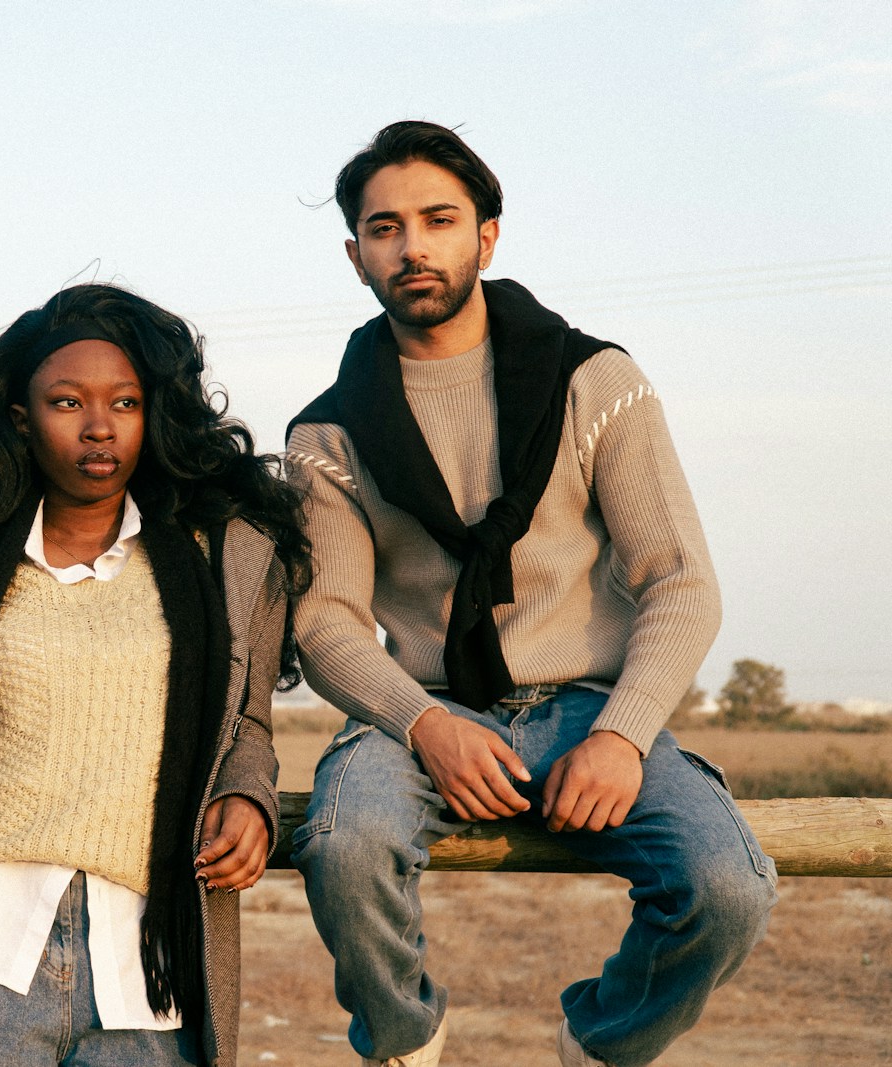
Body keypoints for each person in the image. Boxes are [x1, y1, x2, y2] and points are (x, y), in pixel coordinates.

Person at [285, 121, 777, 1067]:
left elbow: (680, 581)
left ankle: (601, 1040)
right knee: (343, 847)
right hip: (423, 711)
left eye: (439, 219)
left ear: (489, 235)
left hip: (588, 708)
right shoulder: (329, 433)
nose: (414, 246)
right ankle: (406, 1038)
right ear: (356, 257)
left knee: (727, 887)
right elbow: (325, 623)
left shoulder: (597, 381)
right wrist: (424, 722)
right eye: (385, 229)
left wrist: (623, 734)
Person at [0, 282, 310, 1067]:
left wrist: (249, 794)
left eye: (126, 403)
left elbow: (244, 726)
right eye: (67, 402)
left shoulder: (226, 568)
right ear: (21, 421)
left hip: (150, 962)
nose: (99, 426)